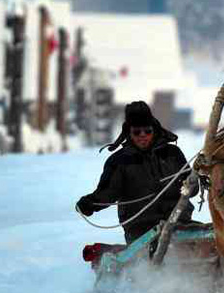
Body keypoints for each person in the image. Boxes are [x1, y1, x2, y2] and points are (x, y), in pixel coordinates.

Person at [76, 101, 196, 243]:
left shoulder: (172, 153)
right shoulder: (119, 161)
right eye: (137, 132)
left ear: (154, 129)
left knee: (214, 239)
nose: (142, 135)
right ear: (129, 132)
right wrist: (90, 203)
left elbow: (193, 188)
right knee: (161, 247)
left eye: (147, 131)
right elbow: (108, 192)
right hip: (141, 230)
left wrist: (188, 184)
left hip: (179, 221)